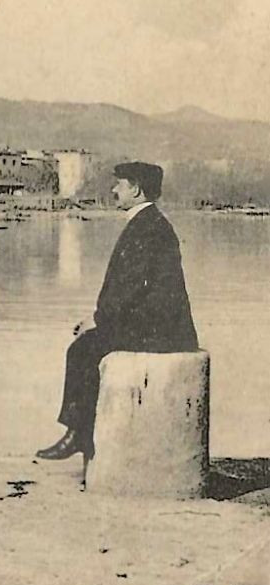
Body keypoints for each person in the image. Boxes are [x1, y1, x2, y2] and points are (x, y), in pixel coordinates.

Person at [36, 161, 197, 461]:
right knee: (86, 346)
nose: (113, 190)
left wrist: (97, 321)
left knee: (83, 350)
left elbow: (129, 287)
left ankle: (78, 435)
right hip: (154, 325)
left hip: (160, 331)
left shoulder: (147, 227)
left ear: (135, 188)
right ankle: (79, 434)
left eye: (119, 184)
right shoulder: (148, 222)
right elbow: (126, 289)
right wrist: (99, 319)